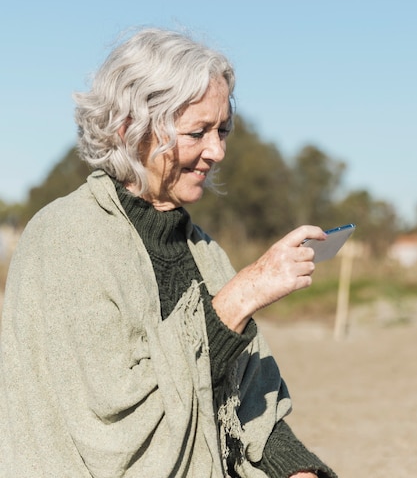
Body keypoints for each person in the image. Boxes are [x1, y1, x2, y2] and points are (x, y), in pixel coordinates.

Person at [0, 28, 337, 478]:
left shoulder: (203, 249)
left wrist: (297, 471)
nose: (216, 150)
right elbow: (118, 427)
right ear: (130, 130)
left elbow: (248, 400)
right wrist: (239, 298)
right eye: (197, 132)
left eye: (223, 130)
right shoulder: (65, 238)